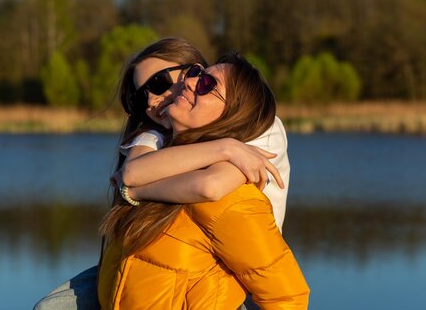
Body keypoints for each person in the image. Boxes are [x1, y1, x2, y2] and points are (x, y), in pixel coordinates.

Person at [33, 39, 292, 309]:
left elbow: (212, 185)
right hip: (158, 261)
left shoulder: (259, 123)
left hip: (237, 269)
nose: (152, 102)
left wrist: (135, 191)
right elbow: (133, 171)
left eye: (158, 84)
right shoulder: (158, 132)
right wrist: (224, 149)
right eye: (140, 97)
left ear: (195, 70)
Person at [97, 53, 309, 309]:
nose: (189, 83)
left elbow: (288, 297)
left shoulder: (233, 193)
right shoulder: (158, 149)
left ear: (232, 114)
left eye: (208, 85)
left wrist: (136, 191)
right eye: (197, 76)